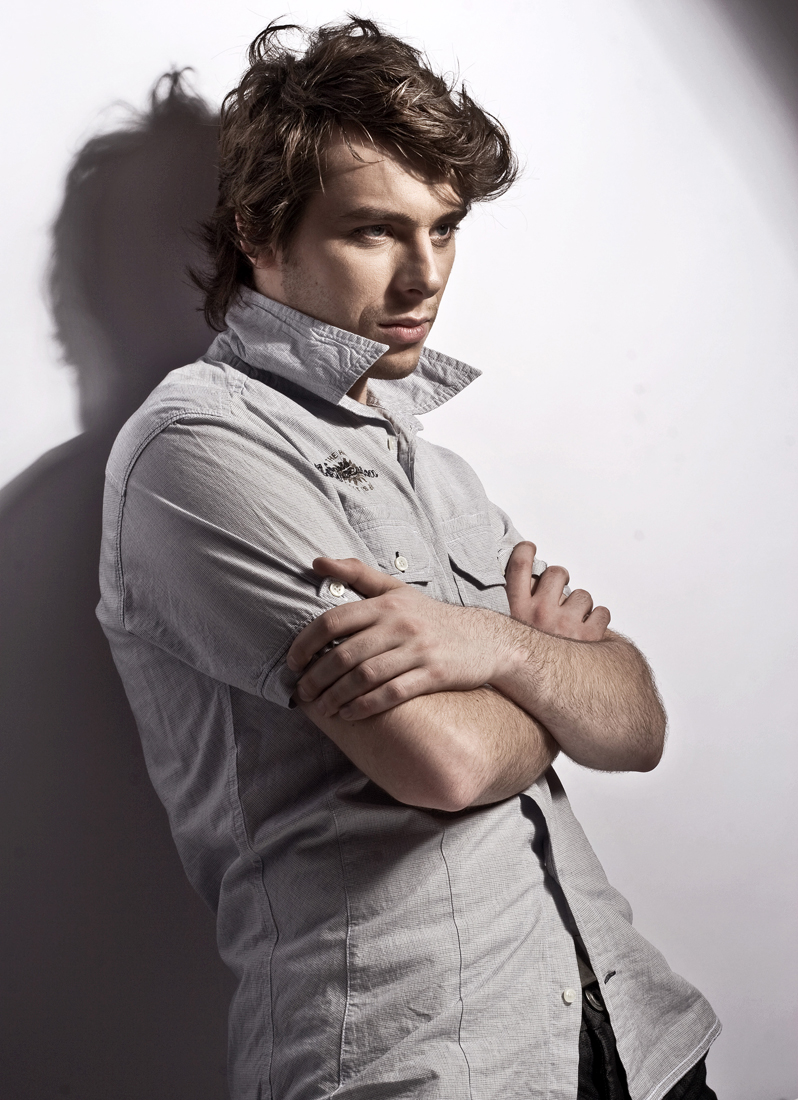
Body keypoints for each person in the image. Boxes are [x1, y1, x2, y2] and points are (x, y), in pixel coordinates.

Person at [97, 18, 720, 1100]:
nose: (423, 277)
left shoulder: (439, 471)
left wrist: (489, 646)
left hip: (633, 1036)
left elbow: (637, 725)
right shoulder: (197, 447)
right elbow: (442, 762)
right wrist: (548, 671)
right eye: (375, 232)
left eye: (445, 228)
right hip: (419, 1063)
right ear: (258, 230)